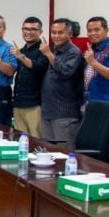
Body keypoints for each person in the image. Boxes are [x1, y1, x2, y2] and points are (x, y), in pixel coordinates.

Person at [40, 19, 85, 149]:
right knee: (48, 152)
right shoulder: (55, 50)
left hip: (64, 113)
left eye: (60, 33)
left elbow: (66, 72)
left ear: (70, 34)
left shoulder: (73, 52)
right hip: (49, 111)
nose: (56, 36)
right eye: (53, 32)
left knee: (64, 154)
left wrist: (48, 54)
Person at [11, 16, 48, 137]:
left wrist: (21, 56)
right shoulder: (22, 50)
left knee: (35, 140)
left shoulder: (43, 50)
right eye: (25, 29)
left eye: (33, 29)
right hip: (18, 102)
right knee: (20, 141)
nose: (28, 32)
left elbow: (38, 67)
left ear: (40, 32)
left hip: (34, 104)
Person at [84, 16, 109, 104]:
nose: (92, 33)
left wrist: (93, 62)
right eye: (89, 30)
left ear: (106, 30)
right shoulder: (92, 50)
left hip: (107, 102)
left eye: (97, 30)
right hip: (90, 100)